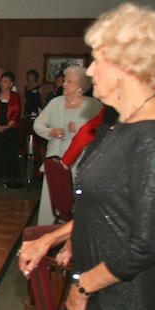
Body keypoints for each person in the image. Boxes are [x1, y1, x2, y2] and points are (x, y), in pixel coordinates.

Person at [19, 3, 155, 310]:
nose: (87, 70)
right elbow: (112, 206)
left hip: (123, 308)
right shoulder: (126, 125)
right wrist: (56, 237)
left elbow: (150, 238)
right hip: (104, 296)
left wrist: (84, 285)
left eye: (98, 59)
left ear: (129, 65)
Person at [33, 65, 102, 225]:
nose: (64, 84)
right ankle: (47, 231)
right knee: (52, 197)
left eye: (69, 81)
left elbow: (101, 134)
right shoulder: (55, 103)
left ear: (80, 85)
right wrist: (51, 132)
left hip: (81, 161)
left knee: (75, 200)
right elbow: (38, 125)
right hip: (56, 160)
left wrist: (79, 130)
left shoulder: (94, 106)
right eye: (64, 80)